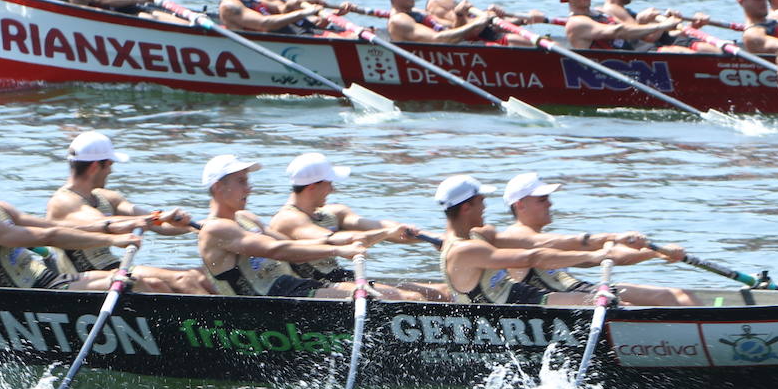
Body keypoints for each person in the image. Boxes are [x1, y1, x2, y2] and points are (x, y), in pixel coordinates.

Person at [0, 148, 161, 291]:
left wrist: (116, 225)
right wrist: (113, 240)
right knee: (126, 283)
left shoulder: (0, 209)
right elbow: (49, 236)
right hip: (31, 299)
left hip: (49, 280)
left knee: (136, 279)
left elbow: (55, 226)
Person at [484, 172, 696, 306]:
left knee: (676, 295)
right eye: (542, 199)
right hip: (564, 305)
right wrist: (652, 252)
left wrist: (656, 252)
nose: (550, 204)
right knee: (634, 306)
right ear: (520, 205)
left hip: (584, 291)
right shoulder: (515, 236)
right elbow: (590, 249)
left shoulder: (543, 237)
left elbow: (605, 257)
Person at [43, 132, 213, 294]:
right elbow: (107, 225)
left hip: (115, 267)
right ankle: (214, 324)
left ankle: (226, 317)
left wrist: (204, 226)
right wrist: (156, 218)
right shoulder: (62, 202)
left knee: (199, 275)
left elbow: (160, 226)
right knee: (181, 279)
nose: (111, 171)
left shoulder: (105, 197)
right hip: (87, 279)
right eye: (110, 164)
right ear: (95, 167)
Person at [436, 174, 641, 306]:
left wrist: (610, 238)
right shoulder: (463, 250)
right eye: (482, 201)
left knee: (613, 302)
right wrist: (596, 256)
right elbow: (532, 257)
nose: (485, 207)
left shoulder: (480, 235)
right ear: (465, 208)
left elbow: (539, 243)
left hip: (520, 297)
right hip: (508, 313)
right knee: (608, 304)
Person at [268, 152, 447, 301]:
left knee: (442, 292)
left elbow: (378, 225)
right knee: (411, 298)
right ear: (312, 186)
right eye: (329, 183)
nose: (333, 190)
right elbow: (331, 241)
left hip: (341, 276)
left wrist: (432, 237)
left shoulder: (333, 212)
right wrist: (386, 233)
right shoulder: (288, 219)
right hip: (313, 287)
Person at [197, 154, 369, 298]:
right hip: (264, 304)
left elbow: (291, 245)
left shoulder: (245, 217)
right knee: (357, 296)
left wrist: (339, 244)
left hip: (286, 287)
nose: (249, 189)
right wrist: (337, 251)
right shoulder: (216, 229)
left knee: (370, 292)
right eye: (241, 182)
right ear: (218, 187)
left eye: (247, 182)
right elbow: (276, 250)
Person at [560, 0, 680, 51]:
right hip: (621, 66)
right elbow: (618, 31)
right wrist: (662, 26)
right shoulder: (576, 23)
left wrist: (661, 21)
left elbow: (635, 32)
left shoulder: (600, 12)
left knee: (680, 50)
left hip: (635, 55)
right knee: (677, 52)